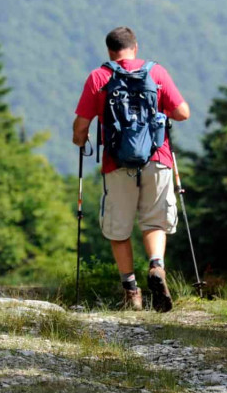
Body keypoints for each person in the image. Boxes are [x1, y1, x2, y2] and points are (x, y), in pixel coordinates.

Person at [73, 26, 190, 311]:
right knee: (154, 222)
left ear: (110, 51)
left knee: (119, 229)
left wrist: (81, 139)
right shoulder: (156, 73)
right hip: (157, 158)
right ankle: (157, 267)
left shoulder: (99, 77)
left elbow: (80, 126)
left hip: (117, 163)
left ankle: (132, 293)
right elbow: (183, 112)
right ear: (135, 47)